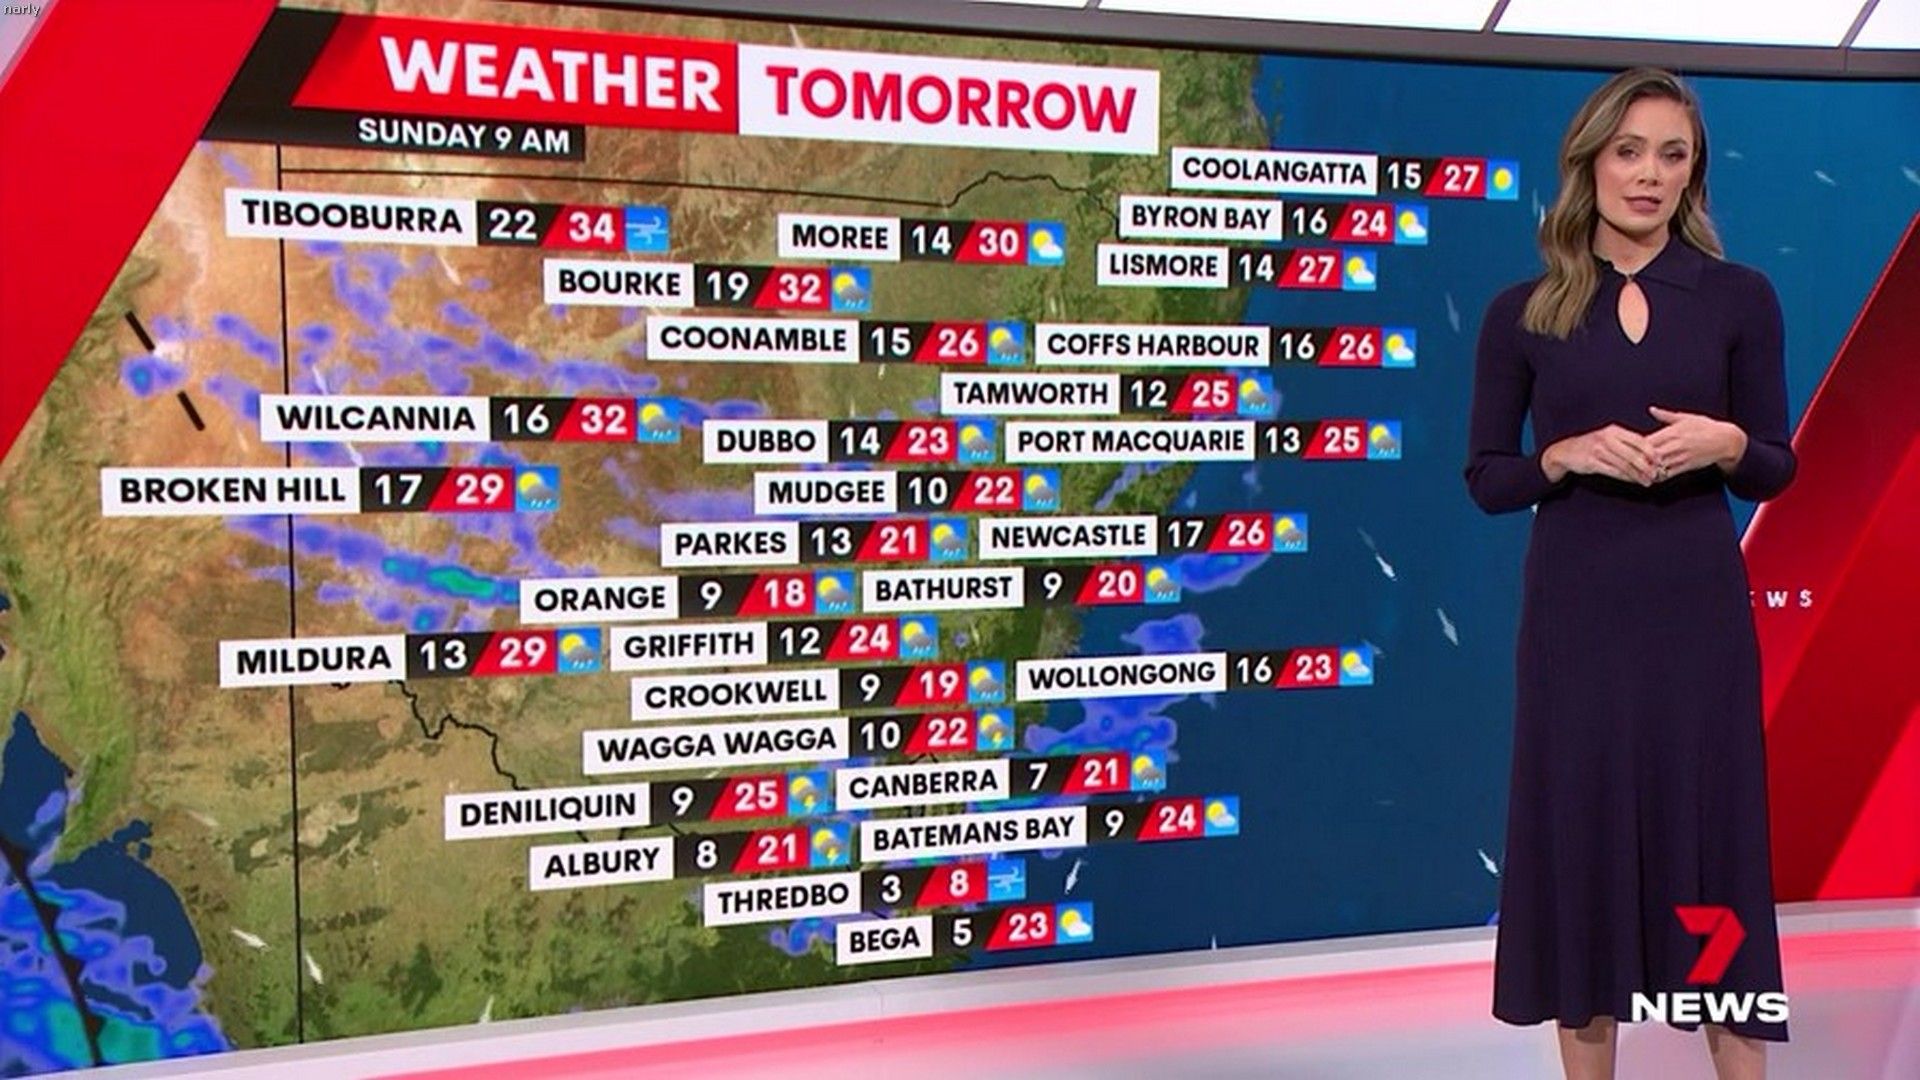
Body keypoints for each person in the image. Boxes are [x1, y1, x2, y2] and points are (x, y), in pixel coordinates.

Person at [1463, 67, 1796, 1080]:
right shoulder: (1524, 313)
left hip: (1696, 622)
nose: (1649, 174)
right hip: (1579, 625)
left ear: (1693, 174)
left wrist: (1729, 444)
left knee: (1713, 855)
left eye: (1671, 154)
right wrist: (1562, 457)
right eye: (1629, 151)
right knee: (1585, 850)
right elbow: (1488, 477)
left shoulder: (1740, 298)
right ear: (1591, 162)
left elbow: (1775, 464)